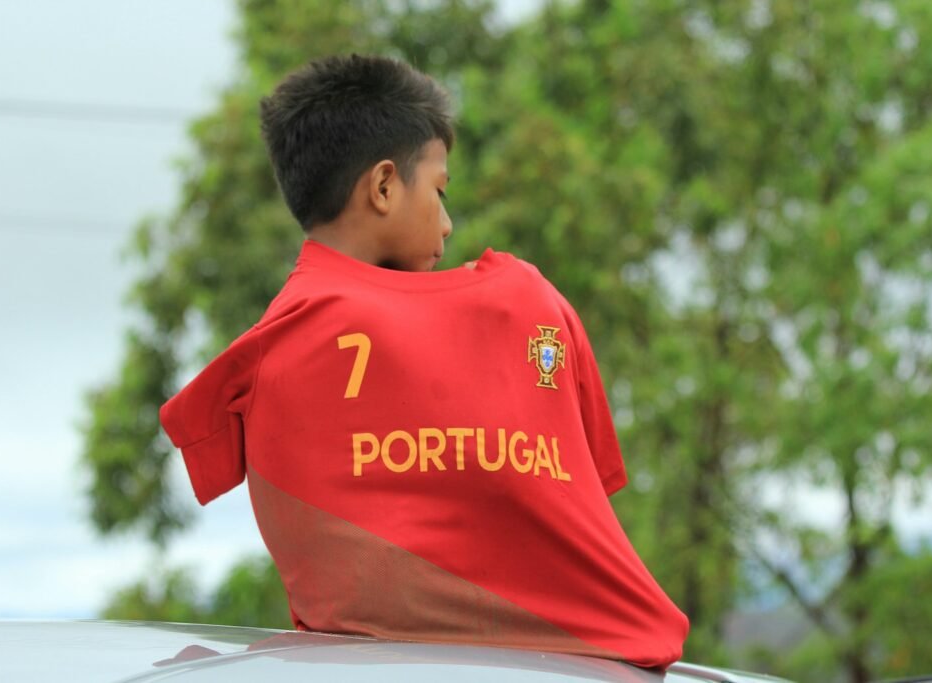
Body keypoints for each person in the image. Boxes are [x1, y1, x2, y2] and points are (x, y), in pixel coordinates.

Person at [159, 53, 689, 670]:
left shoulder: (267, 350)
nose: (447, 222)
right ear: (384, 187)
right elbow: (589, 491)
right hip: (603, 664)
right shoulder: (528, 304)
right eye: (438, 191)